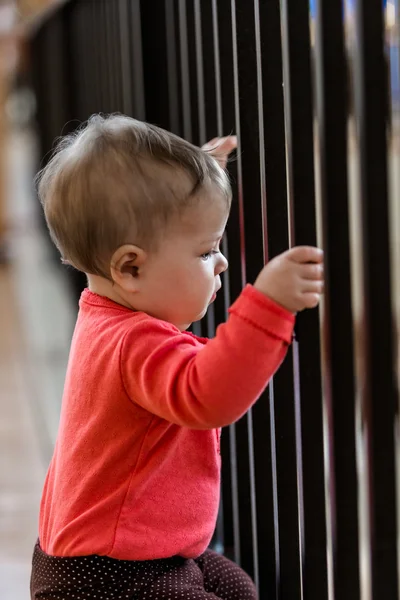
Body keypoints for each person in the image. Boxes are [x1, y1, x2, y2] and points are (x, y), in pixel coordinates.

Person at [30, 114, 324, 600]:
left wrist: (195, 180)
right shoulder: (134, 344)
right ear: (130, 267)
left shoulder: (105, 311)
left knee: (238, 587)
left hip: (124, 555)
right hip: (107, 577)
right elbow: (209, 394)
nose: (223, 263)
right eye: (207, 251)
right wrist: (268, 307)